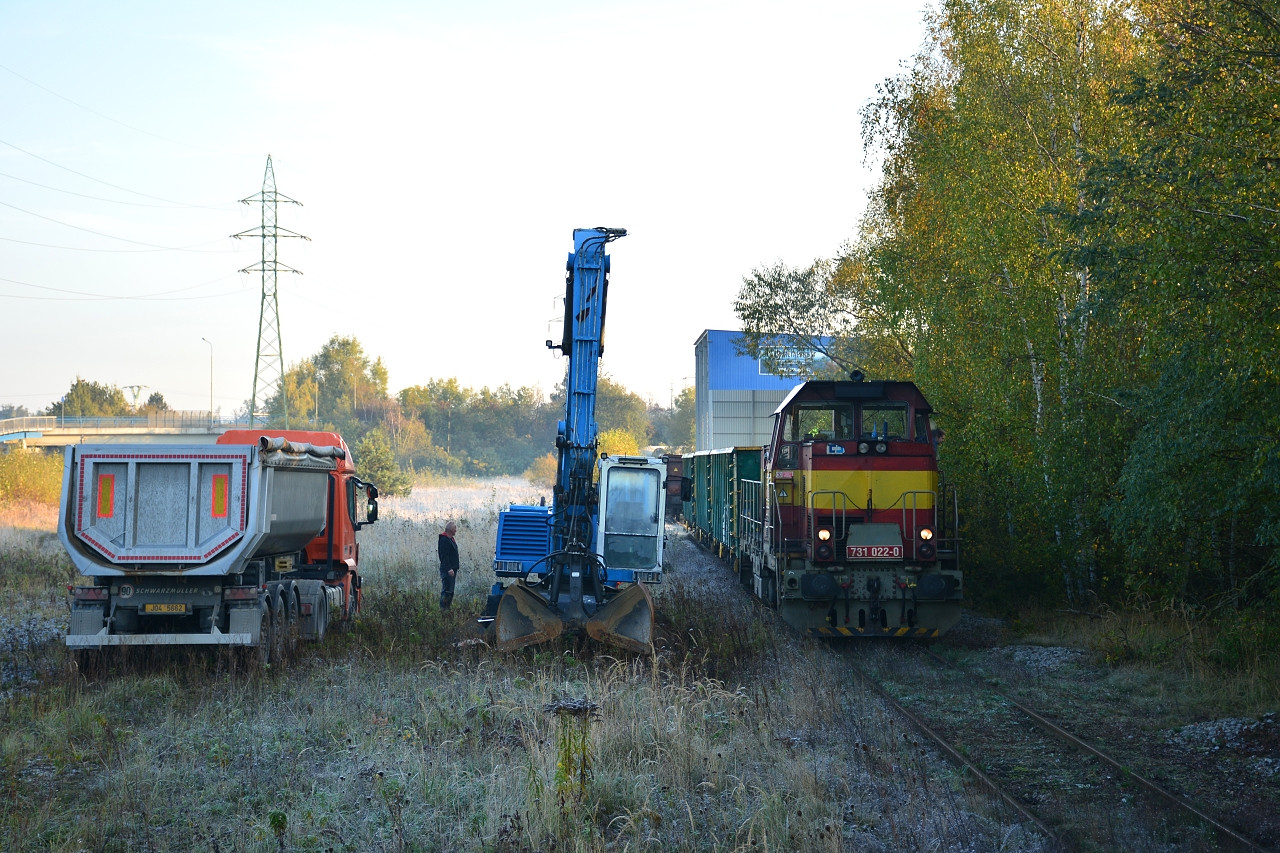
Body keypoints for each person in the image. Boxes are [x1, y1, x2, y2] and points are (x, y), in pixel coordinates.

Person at [438, 521, 459, 609]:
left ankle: (447, 608)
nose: (456, 531)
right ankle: (443, 609)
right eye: (454, 529)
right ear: (450, 530)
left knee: (450, 591)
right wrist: (449, 568)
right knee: (446, 591)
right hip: (448, 570)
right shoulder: (444, 540)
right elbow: (444, 556)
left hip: (452, 569)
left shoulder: (450, 539)